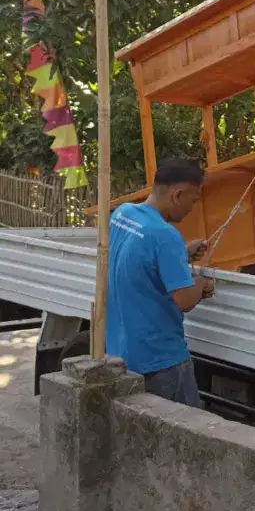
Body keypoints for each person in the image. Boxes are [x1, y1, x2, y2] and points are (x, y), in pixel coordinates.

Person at [106, 156, 213, 407]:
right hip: (162, 360)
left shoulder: (123, 214)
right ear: (177, 195)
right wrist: (201, 284)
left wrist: (182, 254)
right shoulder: (165, 235)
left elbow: (139, 259)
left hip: (122, 352)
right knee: (186, 436)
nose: (192, 208)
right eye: (193, 200)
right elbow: (184, 299)